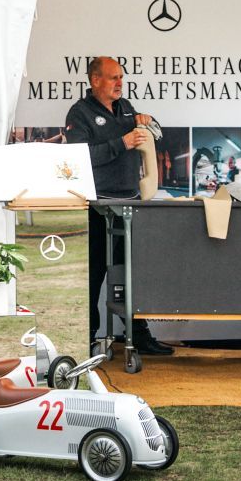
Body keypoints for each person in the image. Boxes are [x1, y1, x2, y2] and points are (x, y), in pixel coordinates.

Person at [65, 56, 171, 356]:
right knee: (94, 274)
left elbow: (150, 134)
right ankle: (87, 338)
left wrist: (146, 120)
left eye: (121, 77)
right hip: (97, 207)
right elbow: (79, 158)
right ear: (95, 80)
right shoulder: (80, 113)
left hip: (129, 204)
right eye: (113, 78)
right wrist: (121, 143)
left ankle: (138, 335)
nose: (119, 83)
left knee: (130, 274)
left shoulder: (126, 108)